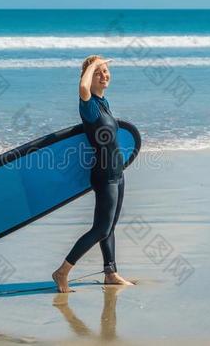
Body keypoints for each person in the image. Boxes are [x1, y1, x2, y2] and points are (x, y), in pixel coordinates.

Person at [52, 55, 134, 293]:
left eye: (106, 71)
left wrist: (97, 66)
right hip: (104, 175)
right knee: (100, 228)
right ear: (89, 76)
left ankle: (111, 273)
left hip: (117, 173)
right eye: (99, 72)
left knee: (110, 227)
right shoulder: (87, 106)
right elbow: (82, 88)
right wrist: (92, 66)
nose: (104, 75)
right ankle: (62, 272)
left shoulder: (103, 102)